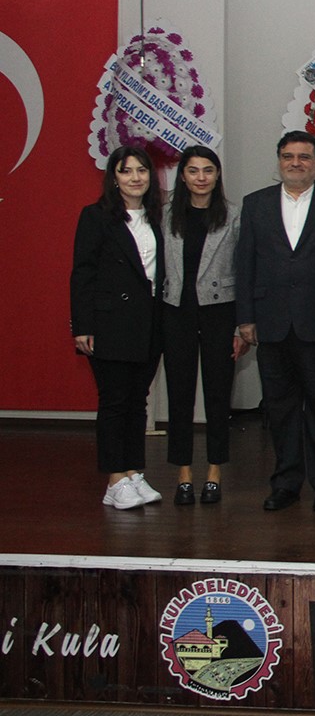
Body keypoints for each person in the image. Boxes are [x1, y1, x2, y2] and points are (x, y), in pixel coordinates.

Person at [236, 130, 315, 512]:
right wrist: (245, 318)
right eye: (288, 156)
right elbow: (245, 263)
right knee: (280, 409)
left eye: (304, 157)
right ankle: (286, 483)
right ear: (279, 160)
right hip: (271, 323)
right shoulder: (255, 204)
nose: (296, 163)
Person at [71, 146, 166, 510]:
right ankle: (114, 479)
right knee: (114, 401)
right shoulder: (95, 217)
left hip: (149, 322)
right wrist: (83, 325)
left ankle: (132, 472)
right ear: (114, 178)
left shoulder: (157, 217)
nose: (135, 178)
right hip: (110, 323)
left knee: (138, 401)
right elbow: (83, 273)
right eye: (126, 171)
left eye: (141, 170)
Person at [161, 146, 246, 505]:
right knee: (179, 396)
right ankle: (183, 474)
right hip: (175, 312)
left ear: (217, 175)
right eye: (193, 170)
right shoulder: (165, 215)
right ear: (182, 176)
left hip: (220, 313)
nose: (201, 177)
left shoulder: (234, 216)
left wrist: (241, 327)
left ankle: (214, 472)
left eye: (208, 170)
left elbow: (245, 272)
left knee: (217, 395)